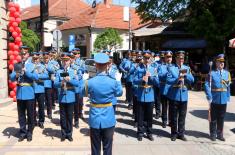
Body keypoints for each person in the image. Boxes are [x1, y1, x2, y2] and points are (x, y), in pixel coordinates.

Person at [84, 53, 123, 155]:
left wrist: (83, 81)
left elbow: (81, 93)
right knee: (107, 148)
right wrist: (118, 81)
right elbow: (119, 93)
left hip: (95, 118)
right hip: (109, 118)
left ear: (95, 65)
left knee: (95, 148)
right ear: (107, 65)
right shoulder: (113, 81)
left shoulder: (90, 82)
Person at [10, 48, 39, 142]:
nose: (23, 55)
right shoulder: (17, 65)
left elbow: (36, 77)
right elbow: (11, 78)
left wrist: (26, 71)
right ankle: (22, 132)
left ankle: (30, 132)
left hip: (29, 93)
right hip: (20, 94)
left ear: (28, 55)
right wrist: (16, 75)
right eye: (21, 54)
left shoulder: (32, 65)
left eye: (25, 54)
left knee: (30, 115)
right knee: (21, 115)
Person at [166, 50, 194, 141]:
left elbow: (192, 80)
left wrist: (186, 75)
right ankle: (174, 133)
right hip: (174, 95)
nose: (181, 60)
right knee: (174, 116)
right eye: (179, 58)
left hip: (184, 95)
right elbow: (168, 80)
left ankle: (181, 133)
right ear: (176, 58)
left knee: (182, 116)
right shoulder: (172, 68)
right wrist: (177, 78)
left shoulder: (187, 68)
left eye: (182, 58)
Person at [133, 50, 159, 141]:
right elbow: (134, 81)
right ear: (143, 58)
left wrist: (151, 76)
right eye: (145, 58)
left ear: (151, 58)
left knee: (149, 116)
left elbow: (157, 82)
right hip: (141, 94)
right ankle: (140, 133)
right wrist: (141, 79)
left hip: (150, 95)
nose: (147, 59)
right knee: (140, 116)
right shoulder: (138, 68)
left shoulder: (154, 68)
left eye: (148, 58)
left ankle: (149, 133)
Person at [204, 54, 231, 141]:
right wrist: (209, 95)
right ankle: (212, 134)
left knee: (221, 118)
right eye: (220, 62)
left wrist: (228, 97)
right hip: (214, 98)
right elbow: (207, 85)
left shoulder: (227, 74)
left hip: (223, 98)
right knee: (213, 117)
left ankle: (220, 134)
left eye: (223, 62)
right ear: (216, 63)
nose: (222, 63)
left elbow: (228, 86)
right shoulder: (211, 73)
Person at [54, 52, 80, 142]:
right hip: (62, 96)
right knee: (63, 117)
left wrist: (70, 80)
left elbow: (77, 84)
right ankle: (63, 133)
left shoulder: (73, 71)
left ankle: (69, 133)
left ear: (70, 61)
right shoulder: (59, 72)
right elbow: (55, 84)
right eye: (63, 61)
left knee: (69, 116)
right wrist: (61, 83)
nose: (65, 62)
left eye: (67, 60)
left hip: (70, 96)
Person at [32, 52, 49, 129]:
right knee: (32, 107)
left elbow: (46, 75)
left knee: (41, 107)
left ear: (39, 58)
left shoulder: (42, 66)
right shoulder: (30, 66)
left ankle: (41, 121)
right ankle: (33, 121)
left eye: (37, 58)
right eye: (34, 58)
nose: (35, 60)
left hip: (40, 89)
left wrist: (37, 76)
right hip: (32, 89)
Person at [158, 50, 173, 128]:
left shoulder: (174, 66)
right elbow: (160, 76)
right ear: (165, 58)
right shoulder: (161, 66)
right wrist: (167, 73)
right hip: (164, 88)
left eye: (170, 57)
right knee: (164, 106)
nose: (169, 58)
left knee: (172, 106)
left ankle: (170, 120)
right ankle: (164, 120)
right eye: (167, 57)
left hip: (172, 89)